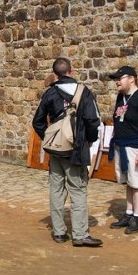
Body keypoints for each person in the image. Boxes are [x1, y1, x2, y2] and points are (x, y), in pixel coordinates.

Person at [32, 57, 103, 247]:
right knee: (78, 191)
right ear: (71, 71)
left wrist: (49, 138)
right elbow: (93, 121)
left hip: (56, 151)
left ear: (55, 74)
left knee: (56, 190)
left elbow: (37, 121)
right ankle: (79, 235)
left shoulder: (50, 93)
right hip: (76, 150)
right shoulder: (84, 92)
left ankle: (59, 232)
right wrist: (89, 140)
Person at [107, 66, 138, 234]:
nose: (117, 81)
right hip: (121, 145)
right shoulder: (121, 97)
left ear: (131, 78)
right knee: (129, 182)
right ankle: (129, 213)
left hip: (135, 146)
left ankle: (137, 218)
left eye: (119, 78)